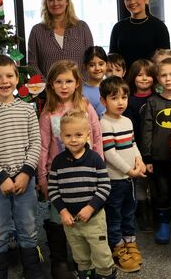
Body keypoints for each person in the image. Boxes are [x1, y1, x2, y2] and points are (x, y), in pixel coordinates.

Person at [0, 55, 44, 279]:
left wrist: (25, 174)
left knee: (29, 225)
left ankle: (33, 272)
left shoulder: (27, 110)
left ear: (17, 79)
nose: (4, 81)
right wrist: (1, 177)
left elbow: (36, 145)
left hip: (25, 179)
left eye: (9, 75)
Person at [38, 59, 102, 279]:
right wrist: (43, 178)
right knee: (59, 217)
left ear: (77, 83)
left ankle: (82, 258)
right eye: (58, 81)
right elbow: (43, 146)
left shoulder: (86, 107)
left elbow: (97, 139)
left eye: (68, 81)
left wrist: (99, 167)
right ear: (51, 85)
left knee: (84, 216)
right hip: (60, 177)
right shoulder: (48, 112)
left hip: (86, 173)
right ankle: (59, 260)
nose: (63, 86)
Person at [48, 110, 116, 279]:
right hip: (71, 222)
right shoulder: (58, 162)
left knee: (101, 254)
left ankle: (106, 274)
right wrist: (62, 211)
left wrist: (90, 207)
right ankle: (85, 274)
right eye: (68, 135)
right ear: (61, 136)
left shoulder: (94, 159)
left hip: (94, 219)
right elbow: (53, 189)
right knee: (80, 256)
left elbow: (105, 186)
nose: (73, 139)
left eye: (78, 134)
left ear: (87, 134)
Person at [99, 76, 146, 273]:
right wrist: (128, 170)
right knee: (115, 215)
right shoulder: (104, 123)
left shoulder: (126, 121)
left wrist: (140, 161)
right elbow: (109, 153)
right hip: (115, 180)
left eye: (124, 97)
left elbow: (133, 144)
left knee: (129, 212)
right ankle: (117, 247)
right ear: (103, 101)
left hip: (130, 179)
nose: (120, 102)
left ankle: (130, 242)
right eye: (114, 98)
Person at [140, 56, 171, 244]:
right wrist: (147, 157)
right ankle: (163, 223)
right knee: (161, 192)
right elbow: (146, 130)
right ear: (158, 78)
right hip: (159, 157)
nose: (168, 79)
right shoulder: (152, 102)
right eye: (164, 75)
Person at [27, 0, 93, 79]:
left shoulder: (82, 27)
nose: (55, 3)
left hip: (80, 90)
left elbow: (90, 60)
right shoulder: (37, 31)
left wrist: (79, 86)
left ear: (67, 2)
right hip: (48, 91)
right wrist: (47, 87)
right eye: (51, 0)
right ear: (46, 4)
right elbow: (32, 65)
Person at [123, 59, 155, 233]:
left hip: (155, 149)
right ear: (133, 76)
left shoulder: (158, 97)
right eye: (140, 75)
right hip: (136, 148)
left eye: (148, 75)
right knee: (140, 183)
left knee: (156, 182)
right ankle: (143, 214)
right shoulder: (129, 100)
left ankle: (158, 211)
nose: (144, 78)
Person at [109, 0, 170, 69]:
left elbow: (165, 60)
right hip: (123, 80)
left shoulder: (159, 27)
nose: (132, 2)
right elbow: (112, 58)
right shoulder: (118, 27)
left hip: (150, 78)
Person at [82, 46, 108, 118]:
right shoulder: (81, 91)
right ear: (85, 67)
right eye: (92, 65)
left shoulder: (113, 86)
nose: (97, 68)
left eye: (101, 64)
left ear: (107, 65)